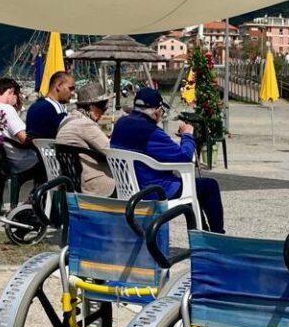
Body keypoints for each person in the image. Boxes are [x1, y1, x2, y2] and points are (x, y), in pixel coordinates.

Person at [110, 86, 224, 231]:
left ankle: (203, 232)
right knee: (209, 186)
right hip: (153, 191)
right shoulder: (151, 132)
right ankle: (218, 235)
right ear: (157, 111)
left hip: (128, 189)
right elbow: (185, 158)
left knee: (190, 189)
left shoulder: (120, 124)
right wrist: (187, 135)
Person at [55, 81, 116, 196]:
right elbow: (111, 151)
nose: (104, 111)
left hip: (69, 183)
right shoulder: (85, 124)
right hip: (93, 185)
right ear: (92, 107)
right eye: (103, 106)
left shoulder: (67, 120)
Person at [0, 77, 47, 190]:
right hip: (21, 161)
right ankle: (39, 198)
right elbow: (24, 139)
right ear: (11, 92)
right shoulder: (7, 109)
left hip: (5, 161)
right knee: (51, 163)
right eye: (18, 95)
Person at [26, 69, 74, 139]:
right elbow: (68, 135)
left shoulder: (34, 106)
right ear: (59, 86)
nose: (72, 93)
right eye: (71, 88)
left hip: (36, 148)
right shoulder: (57, 109)